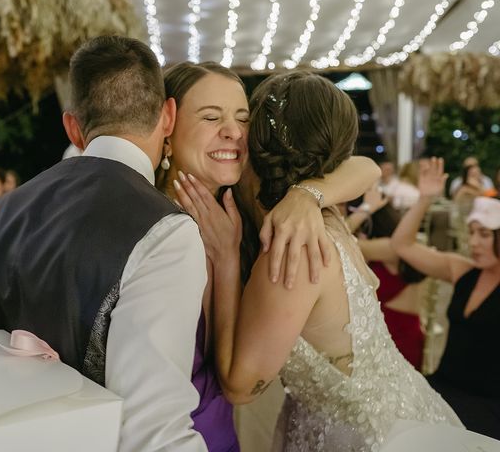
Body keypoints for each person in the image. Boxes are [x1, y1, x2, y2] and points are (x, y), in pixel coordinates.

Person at [179, 71, 462, 451]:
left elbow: (240, 386)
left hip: (366, 438)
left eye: (245, 119)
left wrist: (227, 259)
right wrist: (308, 194)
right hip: (401, 411)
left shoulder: (295, 243)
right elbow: (366, 168)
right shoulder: (318, 213)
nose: (235, 131)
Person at [0, 36, 214, 452]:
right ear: (168, 116)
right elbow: (153, 432)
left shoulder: (5, 209)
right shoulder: (164, 231)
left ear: (73, 127)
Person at [160, 61, 380, 451]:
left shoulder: (258, 212)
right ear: (166, 124)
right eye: (211, 116)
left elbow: (365, 167)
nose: (232, 131)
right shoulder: (153, 227)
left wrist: (306, 196)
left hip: (222, 430)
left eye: (243, 119)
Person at [392, 163, 500, 439]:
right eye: (472, 232)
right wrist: (425, 199)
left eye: (485, 235)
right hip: (442, 388)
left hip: (487, 407)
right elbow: (401, 245)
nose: (474, 242)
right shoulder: (463, 270)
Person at [358, 203, 426, 370]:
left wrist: (363, 210)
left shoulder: (389, 247)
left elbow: (339, 240)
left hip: (398, 337)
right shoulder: (391, 248)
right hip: (392, 332)